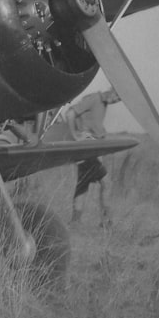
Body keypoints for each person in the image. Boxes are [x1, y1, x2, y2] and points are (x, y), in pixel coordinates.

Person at [66, 88, 121, 226]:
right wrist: (75, 135)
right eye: (116, 96)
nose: (115, 100)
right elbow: (70, 113)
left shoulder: (104, 103)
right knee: (107, 183)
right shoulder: (94, 99)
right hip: (86, 149)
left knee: (83, 185)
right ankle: (106, 221)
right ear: (112, 89)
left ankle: (75, 222)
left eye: (118, 100)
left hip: (90, 150)